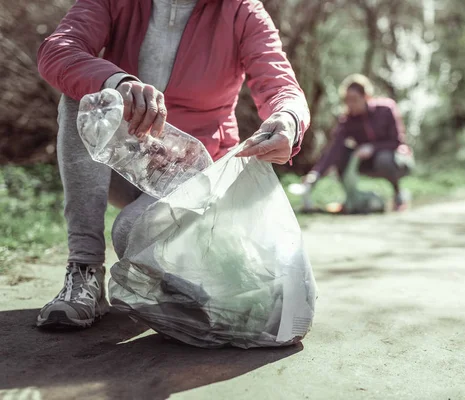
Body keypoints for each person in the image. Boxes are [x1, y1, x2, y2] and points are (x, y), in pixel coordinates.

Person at [36, 0, 310, 329]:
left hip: (192, 172)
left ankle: (200, 287)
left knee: (131, 235)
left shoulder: (241, 11)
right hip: (124, 161)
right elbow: (58, 49)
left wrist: (288, 120)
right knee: (85, 96)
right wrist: (116, 83)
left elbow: (280, 84)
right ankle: (84, 271)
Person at [301, 74, 412, 211]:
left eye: (354, 99)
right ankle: (350, 198)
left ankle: (398, 194)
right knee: (342, 152)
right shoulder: (347, 120)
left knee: (383, 159)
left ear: (366, 97)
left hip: (396, 159)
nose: (350, 104)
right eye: (347, 100)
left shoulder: (386, 109)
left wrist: (372, 148)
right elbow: (334, 149)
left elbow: (397, 142)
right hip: (365, 161)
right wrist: (316, 173)